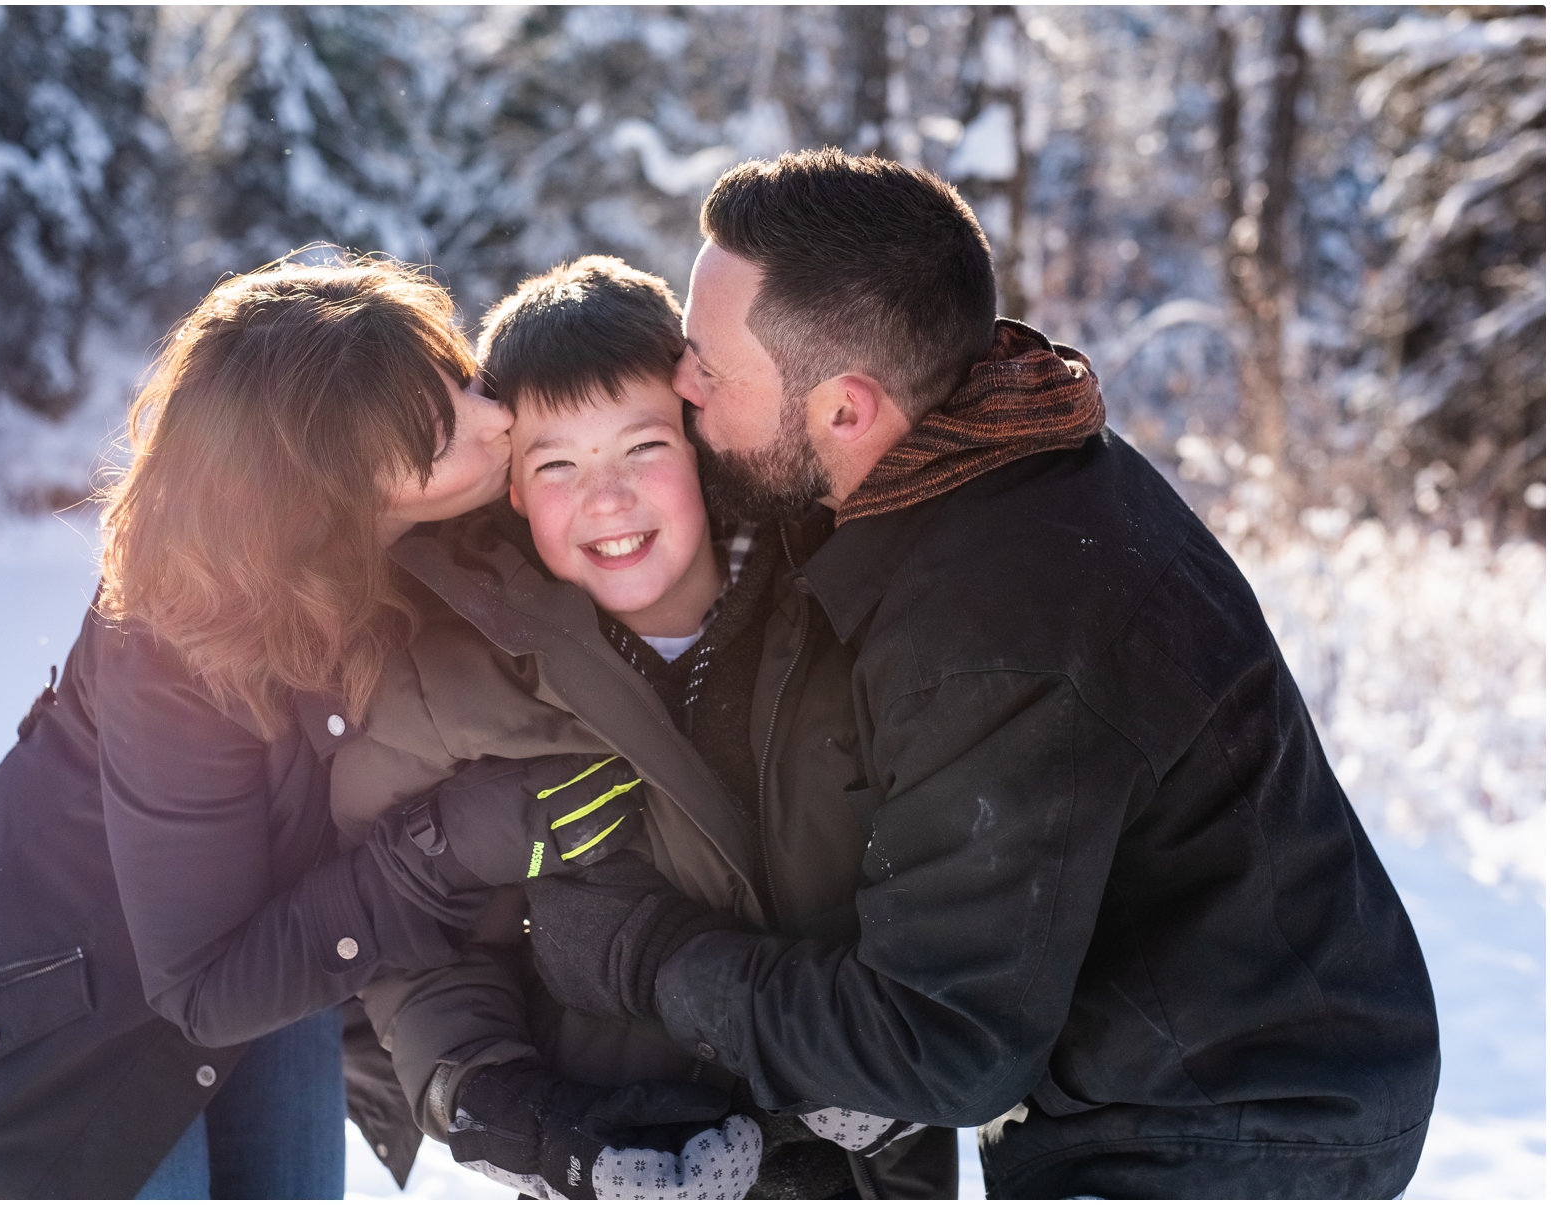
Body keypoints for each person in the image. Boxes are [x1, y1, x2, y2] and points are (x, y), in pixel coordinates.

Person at [517, 151, 1442, 1199]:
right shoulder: (987, 453)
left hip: (1229, 1127)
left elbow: (940, 1038)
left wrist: (646, 953)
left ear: (847, 412)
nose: (682, 387)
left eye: (710, 372)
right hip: (1174, 1074)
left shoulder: (991, 624)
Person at [0, 255, 520, 1199]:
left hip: (265, 977)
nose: (496, 416)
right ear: (328, 474)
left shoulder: (404, 557)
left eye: (464, 380)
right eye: (435, 423)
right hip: (61, 1054)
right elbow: (205, 986)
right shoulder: (177, 638)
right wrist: (444, 845)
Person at [341, 257, 955, 1197]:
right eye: (557, 464)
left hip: (865, 1159)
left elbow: (959, 845)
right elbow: (423, 939)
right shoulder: (448, 680)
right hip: (620, 1148)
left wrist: (918, 1024)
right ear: (512, 488)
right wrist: (507, 1103)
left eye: (643, 447)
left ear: (701, 444)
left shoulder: (847, 607)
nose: (607, 496)